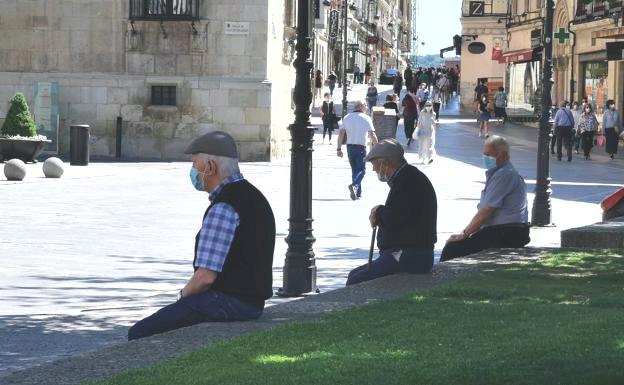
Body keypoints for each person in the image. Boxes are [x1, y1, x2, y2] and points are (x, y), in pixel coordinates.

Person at [128, 131, 276, 340]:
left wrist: (182, 298)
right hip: (251, 302)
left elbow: (205, 278)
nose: (193, 172)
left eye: (194, 164)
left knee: (139, 333)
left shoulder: (224, 206)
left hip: (229, 302)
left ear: (210, 168)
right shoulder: (254, 195)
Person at [346, 139, 437, 285]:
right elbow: (401, 212)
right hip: (407, 252)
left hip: (410, 255)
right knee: (354, 275)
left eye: (374, 163)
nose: (374, 169)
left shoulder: (407, 181)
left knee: (356, 281)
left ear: (385, 162)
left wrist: (378, 212)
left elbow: (395, 218)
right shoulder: (406, 177)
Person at [440, 136, 530, 262]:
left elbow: (485, 212)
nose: (486, 158)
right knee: (456, 245)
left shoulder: (504, 174)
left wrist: (464, 234)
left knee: (453, 248)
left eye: (489, 155)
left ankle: (442, 278)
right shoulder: (501, 172)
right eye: (484, 154)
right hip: (507, 230)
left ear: (503, 156)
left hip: (508, 232)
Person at [336, 100, 379, 200]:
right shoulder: (366, 118)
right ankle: (354, 185)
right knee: (362, 170)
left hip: (349, 147)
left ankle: (357, 193)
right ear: (361, 107)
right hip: (360, 148)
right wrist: (377, 148)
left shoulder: (347, 117)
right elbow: (373, 135)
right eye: (366, 106)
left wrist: (338, 148)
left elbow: (341, 134)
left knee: (355, 170)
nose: (367, 108)